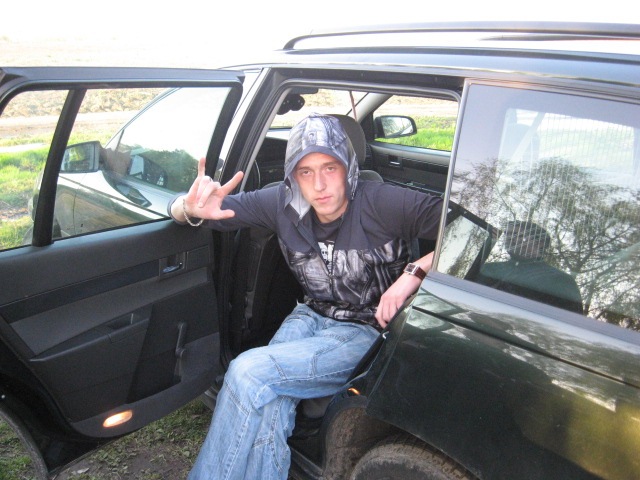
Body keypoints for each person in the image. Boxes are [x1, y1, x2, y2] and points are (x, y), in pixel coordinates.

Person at [168, 113, 443, 479]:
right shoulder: (283, 203)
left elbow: (471, 223)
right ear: (293, 177)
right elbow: (196, 212)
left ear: (348, 167)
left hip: (366, 331)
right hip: (308, 316)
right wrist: (187, 208)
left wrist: (415, 272)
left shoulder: (382, 202)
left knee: (249, 372)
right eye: (305, 172)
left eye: (330, 167)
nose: (319, 185)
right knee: (270, 400)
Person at [477, 220, 583, 313]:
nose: (509, 238)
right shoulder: (489, 269)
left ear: (540, 242)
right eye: (507, 234)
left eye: (517, 235)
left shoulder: (561, 280)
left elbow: (570, 322)